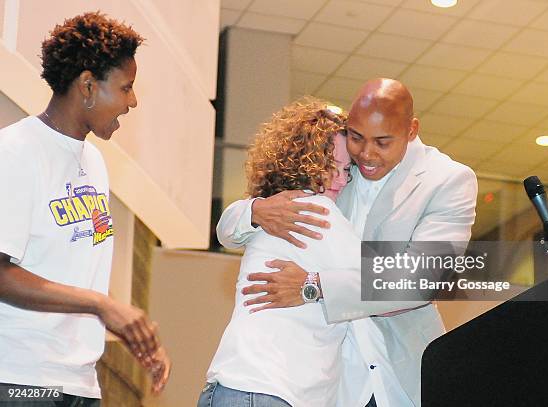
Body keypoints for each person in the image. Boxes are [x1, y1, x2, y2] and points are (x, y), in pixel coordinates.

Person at [216, 78, 478, 407]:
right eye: (357, 138)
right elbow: (231, 227)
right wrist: (255, 210)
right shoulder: (337, 165)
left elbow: (423, 277)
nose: (366, 154)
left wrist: (314, 285)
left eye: (382, 142)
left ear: (411, 131)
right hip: (334, 382)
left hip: (400, 376)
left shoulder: (447, 179)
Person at [0, 12, 170, 406]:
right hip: (18, 378)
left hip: (79, 382)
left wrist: (129, 328)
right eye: (126, 88)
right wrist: (102, 305)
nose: (133, 101)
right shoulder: (16, 152)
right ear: (88, 85)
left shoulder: (94, 162)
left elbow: (77, 269)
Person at [199, 97, 356, 407]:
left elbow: (227, 229)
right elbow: (381, 282)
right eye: (330, 166)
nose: (340, 179)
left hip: (239, 386)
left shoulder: (274, 209)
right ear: (305, 162)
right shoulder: (316, 211)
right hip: (267, 390)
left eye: (347, 170)